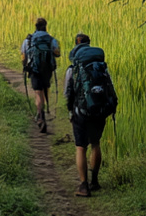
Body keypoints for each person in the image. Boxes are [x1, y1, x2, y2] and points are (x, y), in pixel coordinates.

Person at [65, 33, 118, 197]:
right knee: (95, 143)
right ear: (89, 45)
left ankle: (83, 185)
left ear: (76, 47)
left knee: (80, 147)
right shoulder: (101, 66)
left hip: (81, 111)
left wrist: (70, 111)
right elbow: (109, 87)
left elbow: (68, 92)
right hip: (99, 110)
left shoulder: (73, 68)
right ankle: (95, 181)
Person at [20, 16, 60, 132]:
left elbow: (23, 55)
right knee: (45, 87)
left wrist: (25, 65)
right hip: (47, 70)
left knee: (38, 92)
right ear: (45, 26)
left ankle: (40, 115)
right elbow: (57, 53)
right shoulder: (51, 39)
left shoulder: (29, 40)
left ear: (35, 27)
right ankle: (45, 106)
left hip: (34, 69)